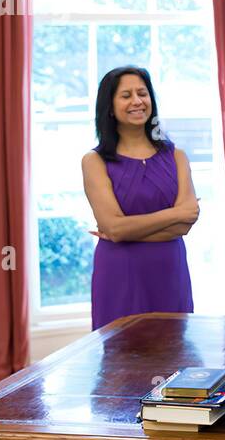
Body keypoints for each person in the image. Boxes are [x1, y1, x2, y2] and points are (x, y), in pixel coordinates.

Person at [82, 66, 198, 331]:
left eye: (142, 93)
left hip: (170, 270)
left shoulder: (176, 156)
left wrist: (124, 230)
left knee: (174, 354)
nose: (137, 101)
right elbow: (114, 228)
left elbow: (186, 224)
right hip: (119, 273)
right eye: (126, 95)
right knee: (122, 361)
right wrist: (176, 214)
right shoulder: (94, 161)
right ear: (110, 107)